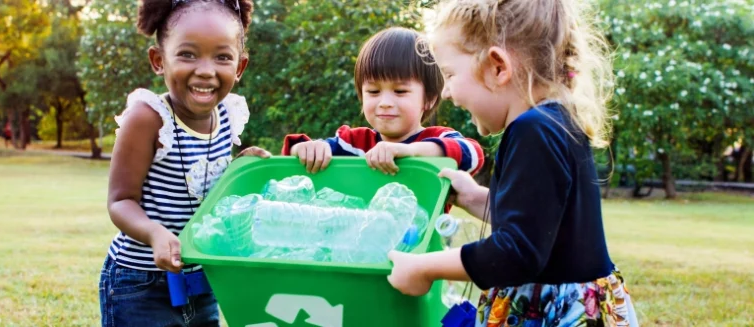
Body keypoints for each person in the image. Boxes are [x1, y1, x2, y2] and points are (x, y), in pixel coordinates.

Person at [386, 0, 639, 326]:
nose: (447, 92)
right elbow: (541, 224)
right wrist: (473, 197)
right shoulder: (557, 121)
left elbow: (517, 252)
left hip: (554, 314)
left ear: (497, 67)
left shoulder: (532, 129)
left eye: (449, 74)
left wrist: (424, 267)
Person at [99, 0, 269, 326]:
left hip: (200, 279)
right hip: (140, 282)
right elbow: (120, 201)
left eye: (222, 57)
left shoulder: (228, 116)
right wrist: (153, 234)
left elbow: (207, 190)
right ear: (158, 60)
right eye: (188, 54)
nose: (205, 69)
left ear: (240, 67)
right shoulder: (148, 119)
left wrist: (240, 169)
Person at [281, 27, 484, 177]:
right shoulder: (353, 144)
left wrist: (410, 151)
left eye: (400, 91)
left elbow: (473, 155)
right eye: (374, 91)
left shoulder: (436, 138)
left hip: (423, 235)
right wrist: (306, 149)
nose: (385, 102)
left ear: (429, 99)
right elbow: (295, 153)